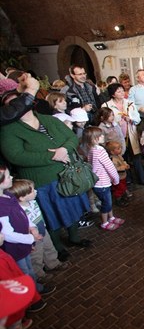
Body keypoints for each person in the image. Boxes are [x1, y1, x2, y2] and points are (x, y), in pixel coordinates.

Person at [0, 96, 92, 261]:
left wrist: (64, 149)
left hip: (66, 176)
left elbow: (71, 137)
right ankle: (57, 247)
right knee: (50, 215)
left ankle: (74, 237)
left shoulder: (48, 119)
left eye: (18, 101)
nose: (16, 106)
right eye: (10, 105)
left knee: (70, 207)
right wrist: (53, 156)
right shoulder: (9, 129)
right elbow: (16, 156)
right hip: (41, 181)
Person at [0, 166, 56, 297]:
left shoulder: (8, 196)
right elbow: (7, 234)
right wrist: (30, 238)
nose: (12, 177)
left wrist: (32, 227)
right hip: (16, 246)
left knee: (29, 268)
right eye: (8, 177)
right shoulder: (1, 206)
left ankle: (36, 288)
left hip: (25, 239)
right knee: (24, 271)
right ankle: (31, 296)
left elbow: (23, 215)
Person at [5, 179, 69, 283]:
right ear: (21, 197)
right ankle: (39, 273)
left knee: (49, 247)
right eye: (32, 191)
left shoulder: (33, 202)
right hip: (33, 236)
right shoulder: (19, 210)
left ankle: (52, 263)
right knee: (36, 256)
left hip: (42, 229)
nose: (36, 191)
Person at [101, 83, 144, 185]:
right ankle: (126, 179)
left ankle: (141, 178)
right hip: (116, 135)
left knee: (136, 156)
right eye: (119, 91)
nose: (122, 93)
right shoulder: (106, 105)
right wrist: (116, 122)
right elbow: (104, 120)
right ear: (113, 94)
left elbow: (138, 119)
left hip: (131, 133)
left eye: (122, 90)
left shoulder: (129, 103)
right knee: (121, 157)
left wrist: (131, 119)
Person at [83, 127, 124, 231]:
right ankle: (105, 222)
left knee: (107, 201)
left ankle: (111, 217)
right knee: (106, 203)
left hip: (97, 182)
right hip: (102, 183)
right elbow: (110, 167)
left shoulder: (91, 149)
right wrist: (116, 179)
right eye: (100, 135)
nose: (102, 136)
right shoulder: (100, 151)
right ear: (94, 139)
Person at [105, 141, 131, 207]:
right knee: (119, 189)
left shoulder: (119, 156)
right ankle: (118, 200)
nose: (120, 149)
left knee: (122, 187)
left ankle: (122, 196)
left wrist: (126, 164)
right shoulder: (113, 159)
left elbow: (123, 161)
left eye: (120, 148)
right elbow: (114, 168)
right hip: (118, 177)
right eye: (118, 148)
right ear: (112, 151)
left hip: (123, 176)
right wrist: (123, 167)